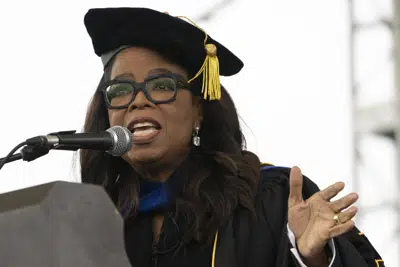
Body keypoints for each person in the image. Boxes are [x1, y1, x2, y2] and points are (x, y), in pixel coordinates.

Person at [81, 7, 385, 267]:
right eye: (119, 91)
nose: (137, 101)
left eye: (161, 85)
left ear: (199, 110)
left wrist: (311, 258)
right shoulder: (95, 228)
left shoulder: (270, 200)